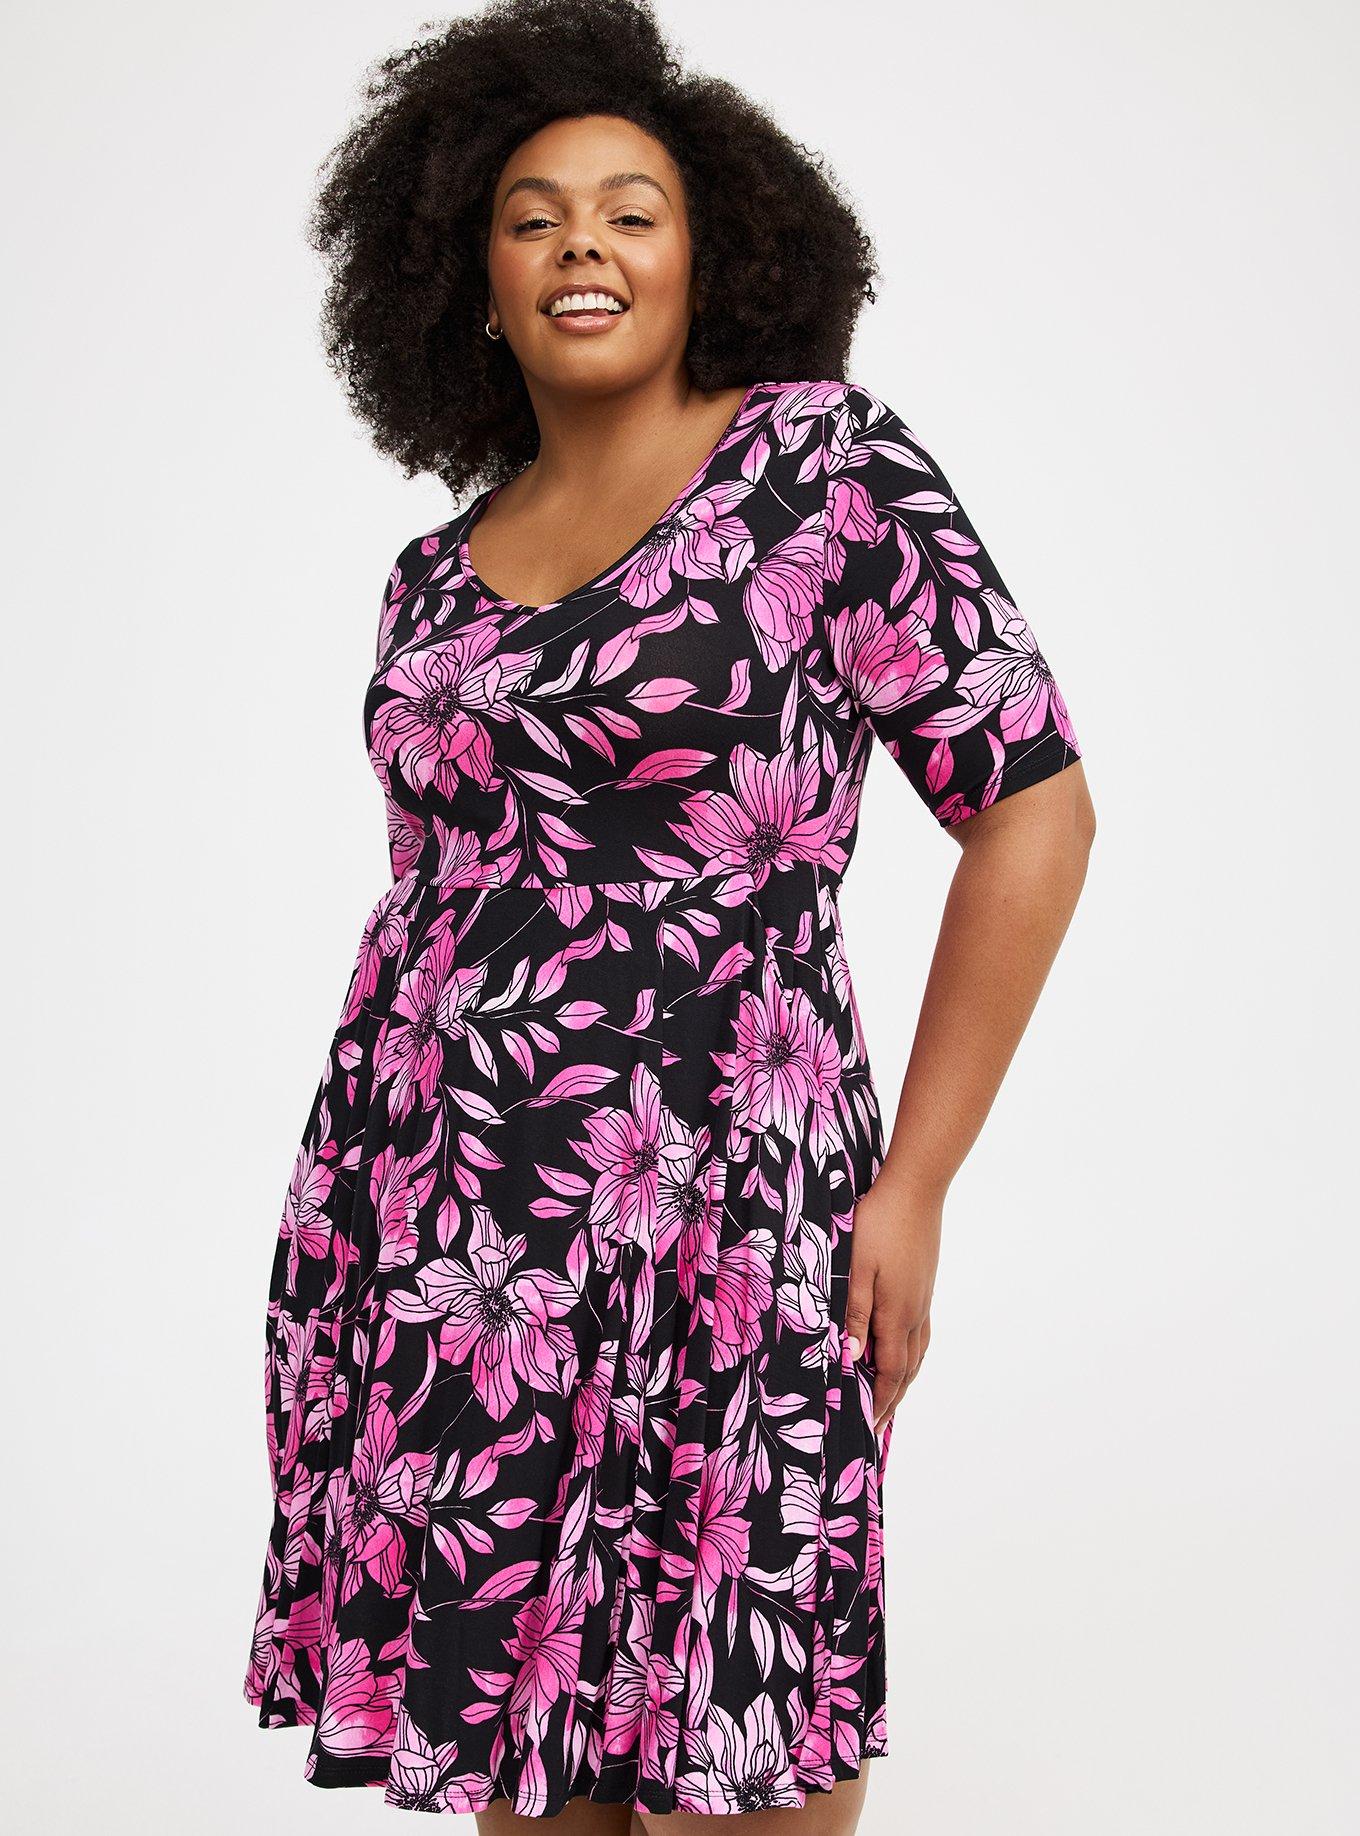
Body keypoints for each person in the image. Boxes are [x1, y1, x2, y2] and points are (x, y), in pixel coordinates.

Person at [242, 2, 1096, 1829]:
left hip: (730, 1198)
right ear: (469, 278)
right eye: (533, 216)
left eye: (633, 211)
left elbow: (1033, 808)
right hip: (447, 1221)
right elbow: (440, 902)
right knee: (520, 1759)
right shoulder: (430, 576)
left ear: (714, 254)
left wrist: (917, 1184)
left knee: (748, 1741)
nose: (585, 246)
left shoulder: (822, 472)